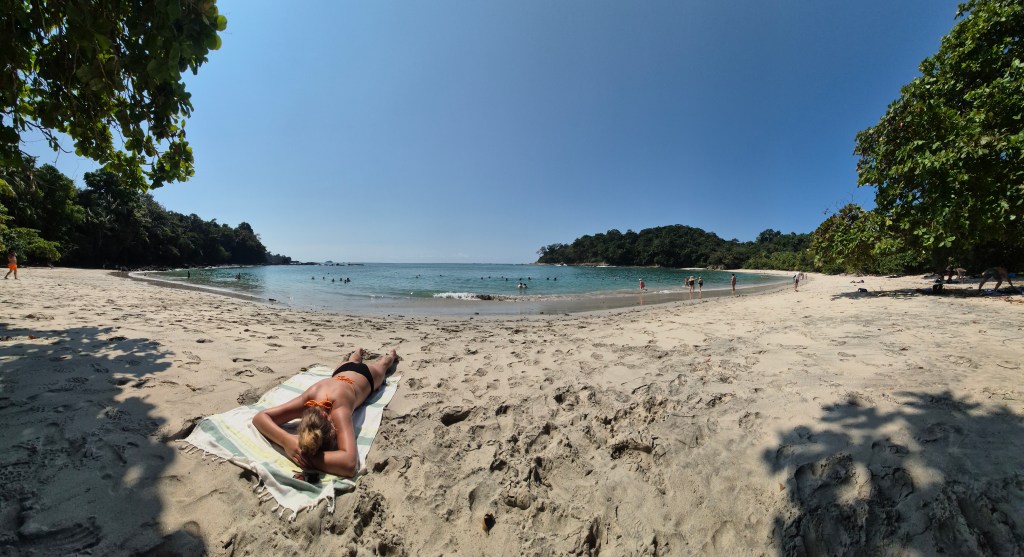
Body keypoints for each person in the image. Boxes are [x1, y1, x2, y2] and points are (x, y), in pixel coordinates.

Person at [252, 348, 399, 477]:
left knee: (384, 365)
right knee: (358, 361)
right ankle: (358, 353)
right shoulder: (306, 402)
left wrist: (306, 457)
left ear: (325, 416)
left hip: (366, 375)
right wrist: (287, 441)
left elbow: (349, 464)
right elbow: (260, 417)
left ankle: (389, 354)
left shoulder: (338, 410)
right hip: (341, 370)